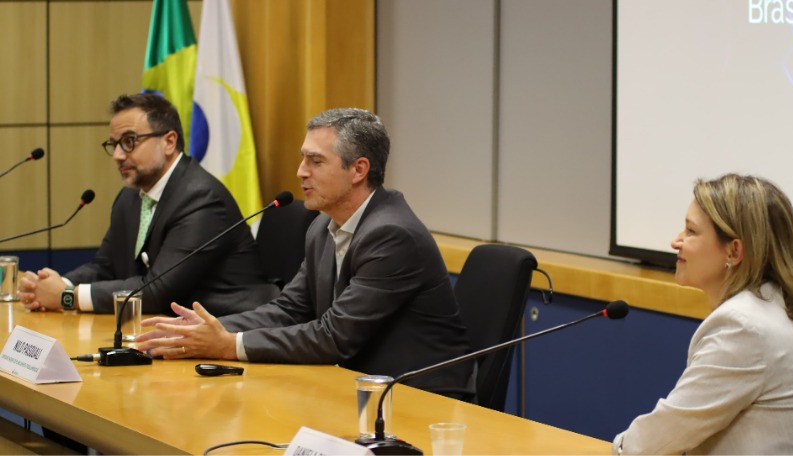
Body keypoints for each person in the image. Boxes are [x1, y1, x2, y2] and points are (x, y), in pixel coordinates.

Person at [136, 107, 474, 395]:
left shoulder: (392, 235)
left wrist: (227, 344)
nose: (301, 172)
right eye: (303, 159)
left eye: (315, 161)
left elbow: (334, 337)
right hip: (357, 382)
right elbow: (289, 309)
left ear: (358, 169)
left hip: (416, 395)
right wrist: (204, 331)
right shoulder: (322, 226)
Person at [612, 174, 793, 455]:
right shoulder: (766, 311)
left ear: (734, 250)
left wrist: (619, 448)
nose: (675, 241)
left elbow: (652, 443)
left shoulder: (745, 327)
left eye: (691, 232)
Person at [17, 93, 278, 316]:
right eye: (114, 144)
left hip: (229, 327)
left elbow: (156, 292)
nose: (118, 155)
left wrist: (67, 296)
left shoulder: (201, 198)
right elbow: (106, 266)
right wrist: (55, 284)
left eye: (130, 141)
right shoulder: (131, 196)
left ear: (169, 141)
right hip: (170, 328)